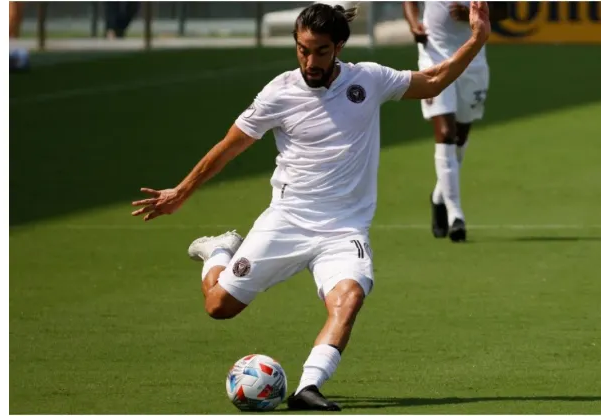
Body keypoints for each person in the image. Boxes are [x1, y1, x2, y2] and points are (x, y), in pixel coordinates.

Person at [131, 2, 491, 411]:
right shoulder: (278, 92)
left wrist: (478, 37)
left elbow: (433, 79)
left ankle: (308, 387)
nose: (310, 60)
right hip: (287, 221)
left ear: (338, 47)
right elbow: (228, 148)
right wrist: (182, 191)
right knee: (218, 307)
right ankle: (218, 250)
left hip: (344, 228)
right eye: (303, 49)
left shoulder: (368, 80)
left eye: (320, 50)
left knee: (349, 297)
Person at [403, 1, 510, 242]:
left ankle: (440, 196)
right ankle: (456, 215)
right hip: (434, 58)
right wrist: (414, 24)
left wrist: (474, 14)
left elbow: (505, 10)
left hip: (473, 62)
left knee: (460, 138)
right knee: (446, 132)